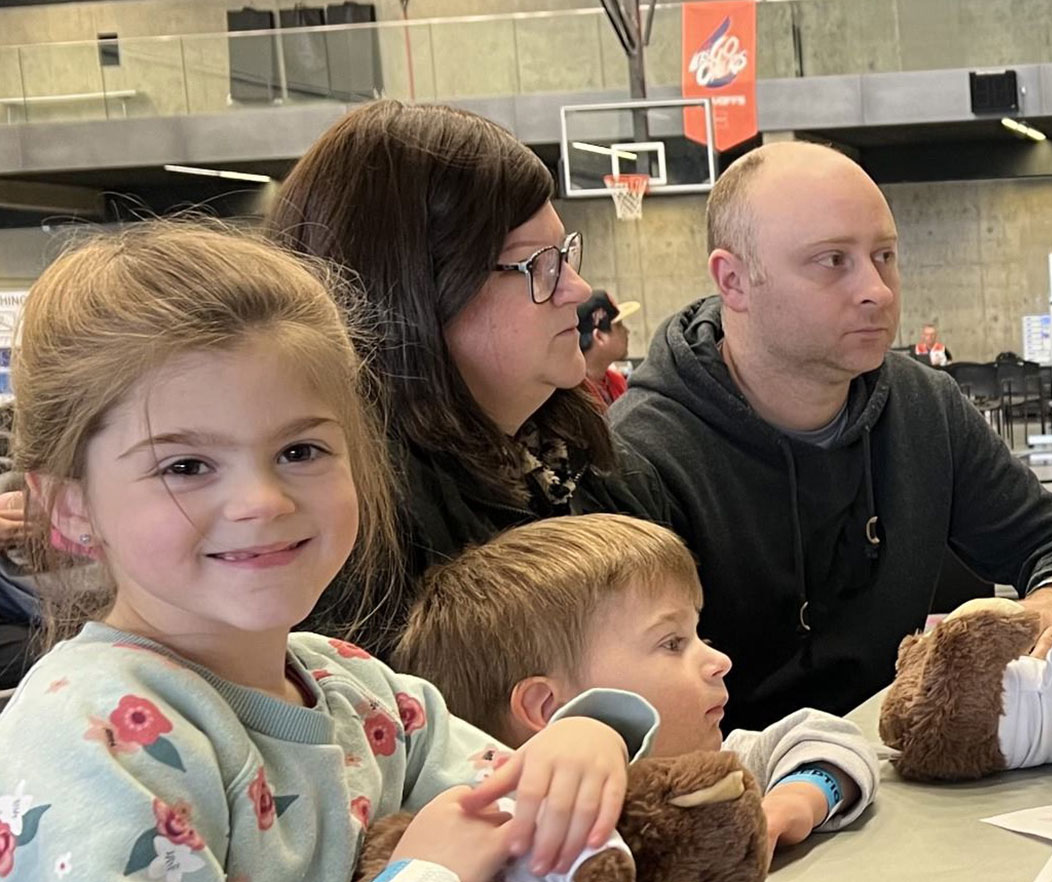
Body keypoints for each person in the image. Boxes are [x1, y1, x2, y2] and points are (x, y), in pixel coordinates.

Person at [0, 223, 658, 881]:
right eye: (186, 465)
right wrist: (428, 873)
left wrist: (579, 745)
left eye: (299, 452)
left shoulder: (366, 696)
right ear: (70, 506)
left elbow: (515, 814)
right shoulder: (88, 736)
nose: (261, 501)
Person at [610, 143, 1052, 725]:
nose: (877, 290)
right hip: (748, 794)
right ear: (733, 281)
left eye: (884, 256)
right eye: (833, 260)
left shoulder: (923, 406)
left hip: (898, 771)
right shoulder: (639, 458)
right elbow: (625, 711)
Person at [268, 100, 671, 652]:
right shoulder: (351, 535)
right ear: (413, 293)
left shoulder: (601, 467)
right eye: (539, 265)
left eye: (566, 255)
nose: (576, 291)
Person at [396, 514, 878, 849]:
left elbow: (827, 738)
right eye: (672, 643)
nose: (719, 661)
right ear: (549, 709)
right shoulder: (502, 831)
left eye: (698, 633)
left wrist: (798, 798)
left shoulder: (701, 770)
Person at [579, 291, 640, 407]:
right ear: (599, 337)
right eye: (619, 325)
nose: (627, 331)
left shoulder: (616, 380)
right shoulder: (574, 395)